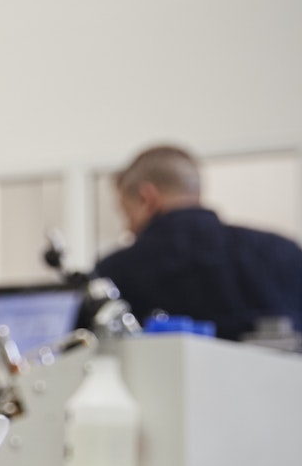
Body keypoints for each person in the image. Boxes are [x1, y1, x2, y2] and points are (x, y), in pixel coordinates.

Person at [94, 144, 302, 340]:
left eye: (126, 213)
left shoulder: (115, 274)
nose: (127, 228)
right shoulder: (284, 252)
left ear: (147, 197)